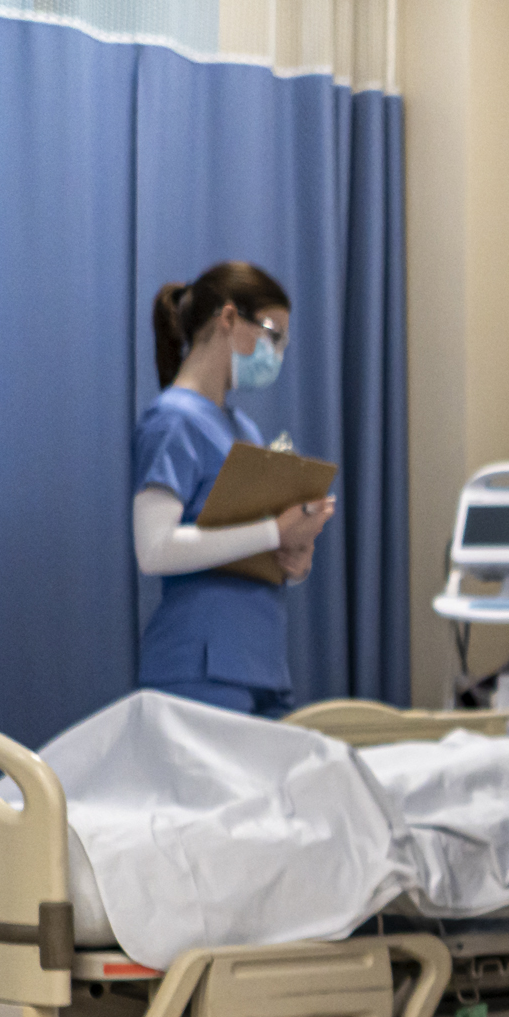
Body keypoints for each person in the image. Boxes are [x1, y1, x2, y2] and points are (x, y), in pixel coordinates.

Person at [130, 262, 338, 715]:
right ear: (228, 318)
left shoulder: (243, 429)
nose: (276, 354)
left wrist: (294, 558)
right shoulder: (173, 420)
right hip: (200, 664)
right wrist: (274, 532)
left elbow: (247, 544)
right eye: (272, 336)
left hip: (260, 661)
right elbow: (154, 550)